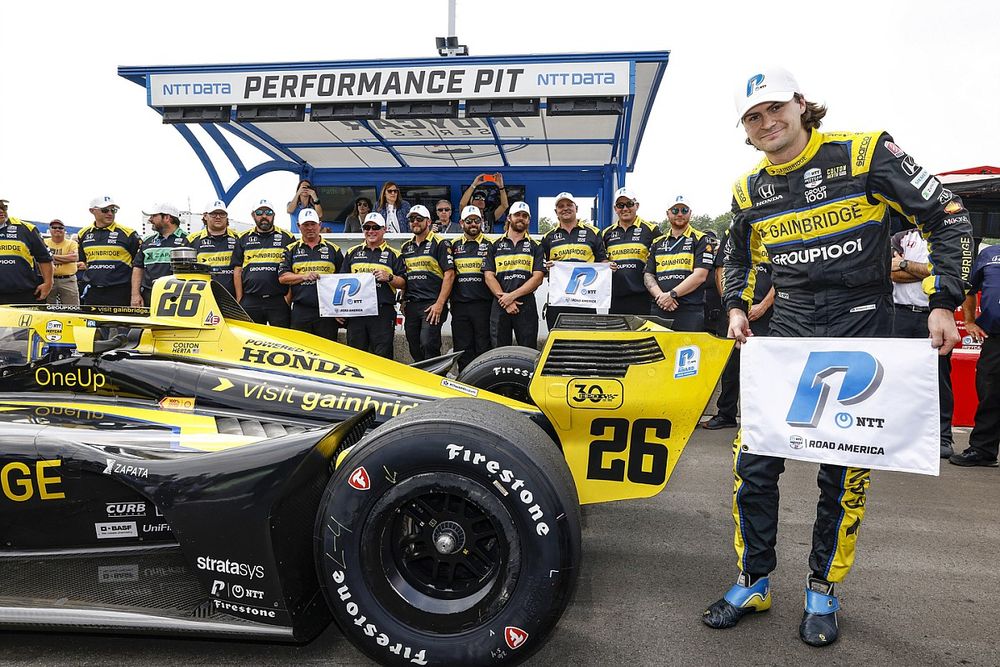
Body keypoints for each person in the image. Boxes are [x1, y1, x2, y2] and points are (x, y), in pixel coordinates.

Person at [706, 66, 973, 647]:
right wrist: (734, 306)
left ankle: (822, 588)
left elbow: (948, 215)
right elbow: (739, 258)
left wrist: (943, 300)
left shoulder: (864, 153)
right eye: (753, 117)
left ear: (801, 105)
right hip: (787, 336)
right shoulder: (748, 188)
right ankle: (753, 579)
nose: (767, 122)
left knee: (844, 471)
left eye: (775, 108)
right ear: (746, 131)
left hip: (863, 330)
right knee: (752, 462)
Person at [891, 226, 956, 458]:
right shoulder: (901, 237)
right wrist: (928, 271)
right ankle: (898, 434)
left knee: (937, 378)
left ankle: (943, 437)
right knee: (897, 377)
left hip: (933, 314)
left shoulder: (945, 238)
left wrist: (905, 264)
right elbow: (890, 271)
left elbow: (944, 270)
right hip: (900, 314)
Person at [702, 229, 773, 429]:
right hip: (734, 312)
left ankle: (763, 419)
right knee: (730, 368)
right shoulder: (733, 232)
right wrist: (733, 307)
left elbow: (783, 276)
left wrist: (764, 306)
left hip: (764, 312)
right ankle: (726, 415)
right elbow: (720, 271)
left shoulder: (773, 230)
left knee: (764, 369)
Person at [949, 242, 1000, 468]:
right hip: (995, 338)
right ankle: (983, 450)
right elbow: (970, 290)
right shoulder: (989, 254)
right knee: (990, 393)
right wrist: (968, 321)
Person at [341, 212, 407, 359]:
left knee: (382, 357)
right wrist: (339, 311)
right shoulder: (352, 252)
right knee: (355, 357)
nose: (371, 231)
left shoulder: (394, 254)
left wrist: (389, 277)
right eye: (367, 227)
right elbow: (341, 282)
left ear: (384, 229)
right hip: (356, 313)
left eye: (375, 227)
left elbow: (403, 283)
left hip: (382, 313)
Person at [643, 195, 714, 331]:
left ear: (690, 213)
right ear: (667, 214)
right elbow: (648, 275)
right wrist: (661, 297)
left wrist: (672, 295)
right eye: (675, 211)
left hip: (690, 311)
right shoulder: (657, 242)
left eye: (684, 210)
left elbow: (700, 275)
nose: (680, 214)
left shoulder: (702, 239)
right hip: (660, 308)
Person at [540, 192, 608, 331]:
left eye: (569, 205)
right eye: (561, 206)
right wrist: (546, 267)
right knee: (558, 341)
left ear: (576, 208)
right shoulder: (548, 237)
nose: (565, 208)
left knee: (587, 341)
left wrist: (608, 267)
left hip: (585, 301)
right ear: (556, 212)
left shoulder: (593, 233)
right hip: (558, 300)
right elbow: (541, 266)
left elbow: (602, 260)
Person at [484, 202, 545, 348]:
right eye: (517, 215)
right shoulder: (494, 245)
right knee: (498, 351)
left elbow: (538, 278)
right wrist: (506, 300)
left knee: (528, 350)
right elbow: (488, 276)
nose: (521, 218)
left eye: (525, 216)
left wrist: (512, 297)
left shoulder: (536, 246)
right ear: (509, 218)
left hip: (526, 304)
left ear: (529, 220)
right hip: (500, 304)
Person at [278, 208, 344, 340]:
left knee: (327, 352)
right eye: (306, 225)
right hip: (301, 310)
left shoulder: (333, 249)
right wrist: (303, 276)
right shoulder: (291, 249)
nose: (310, 228)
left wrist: (340, 310)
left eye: (313, 224)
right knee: (301, 353)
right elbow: (282, 278)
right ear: (298, 226)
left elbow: (343, 280)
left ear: (320, 225)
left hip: (327, 311)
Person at [400, 205, 455, 362]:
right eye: (412, 219)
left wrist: (440, 304)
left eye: (419, 219)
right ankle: (422, 379)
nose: (415, 222)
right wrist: (403, 300)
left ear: (429, 221)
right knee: (413, 345)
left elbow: (450, 275)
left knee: (428, 344)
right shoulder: (406, 246)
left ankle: (436, 380)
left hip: (432, 304)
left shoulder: (441, 243)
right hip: (411, 304)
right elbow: (406, 276)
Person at [232, 199, 295, 326]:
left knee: (281, 341)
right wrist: (240, 298)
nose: (264, 216)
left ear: (274, 215)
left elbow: (294, 269)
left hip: (278, 300)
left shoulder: (287, 237)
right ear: (253, 215)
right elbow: (237, 270)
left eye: (268, 212)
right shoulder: (242, 238)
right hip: (250, 300)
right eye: (259, 212)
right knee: (251, 340)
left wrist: (288, 298)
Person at [601, 187, 663, 315]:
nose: (625, 209)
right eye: (620, 205)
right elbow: (600, 259)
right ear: (615, 209)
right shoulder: (607, 233)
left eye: (629, 204)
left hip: (643, 297)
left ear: (637, 206)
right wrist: (605, 263)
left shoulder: (651, 230)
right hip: (616, 297)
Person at [450, 205, 494, 369]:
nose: (473, 224)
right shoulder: (452, 245)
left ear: (481, 222)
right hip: (459, 305)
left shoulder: (492, 244)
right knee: (462, 348)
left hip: (484, 305)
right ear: (462, 223)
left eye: (476, 220)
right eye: (469, 221)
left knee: (484, 347)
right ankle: (464, 383)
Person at [78, 195, 140, 306]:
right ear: (92, 211)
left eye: (113, 210)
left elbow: (139, 264)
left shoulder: (128, 233)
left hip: (120, 291)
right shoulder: (83, 233)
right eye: (105, 210)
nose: (110, 213)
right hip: (93, 292)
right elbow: (84, 261)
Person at [132, 203, 187, 307]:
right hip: (149, 295)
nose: (150, 220)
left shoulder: (188, 240)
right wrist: (135, 295)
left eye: (153, 216)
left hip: (177, 295)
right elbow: (138, 268)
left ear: (167, 218)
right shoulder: (147, 241)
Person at [0, 198, 52, 304]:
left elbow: (45, 258)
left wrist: (48, 283)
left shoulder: (27, 229)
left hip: (23, 294)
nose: (1, 211)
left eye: (3, 207)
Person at [186, 200, 240, 298]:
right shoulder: (191, 240)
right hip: (202, 296)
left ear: (227, 216)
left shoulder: (238, 238)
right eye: (213, 214)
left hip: (232, 298)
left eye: (222, 214)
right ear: (205, 216)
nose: (218, 217)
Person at [44, 219, 80, 305]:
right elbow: (40, 259)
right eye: (54, 227)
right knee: (47, 309)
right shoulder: (44, 242)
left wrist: (49, 257)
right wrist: (66, 258)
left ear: (64, 230)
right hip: (49, 279)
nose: (57, 229)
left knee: (72, 308)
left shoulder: (72, 243)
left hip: (68, 280)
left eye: (60, 228)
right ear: (50, 230)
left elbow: (74, 258)